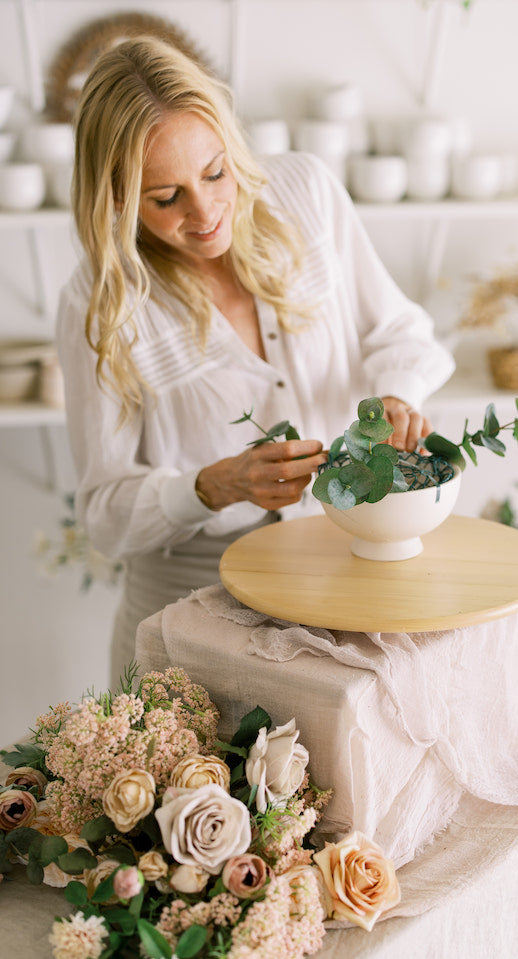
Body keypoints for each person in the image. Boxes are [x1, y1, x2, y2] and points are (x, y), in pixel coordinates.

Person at [56, 36, 455, 684]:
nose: (206, 211)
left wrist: (397, 395)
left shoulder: (304, 192)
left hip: (338, 577)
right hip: (188, 607)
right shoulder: (99, 303)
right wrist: (213, 485)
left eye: (215, 172)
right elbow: (104, 514)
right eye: (166, 197)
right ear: (118, 197)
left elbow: (402, 332)